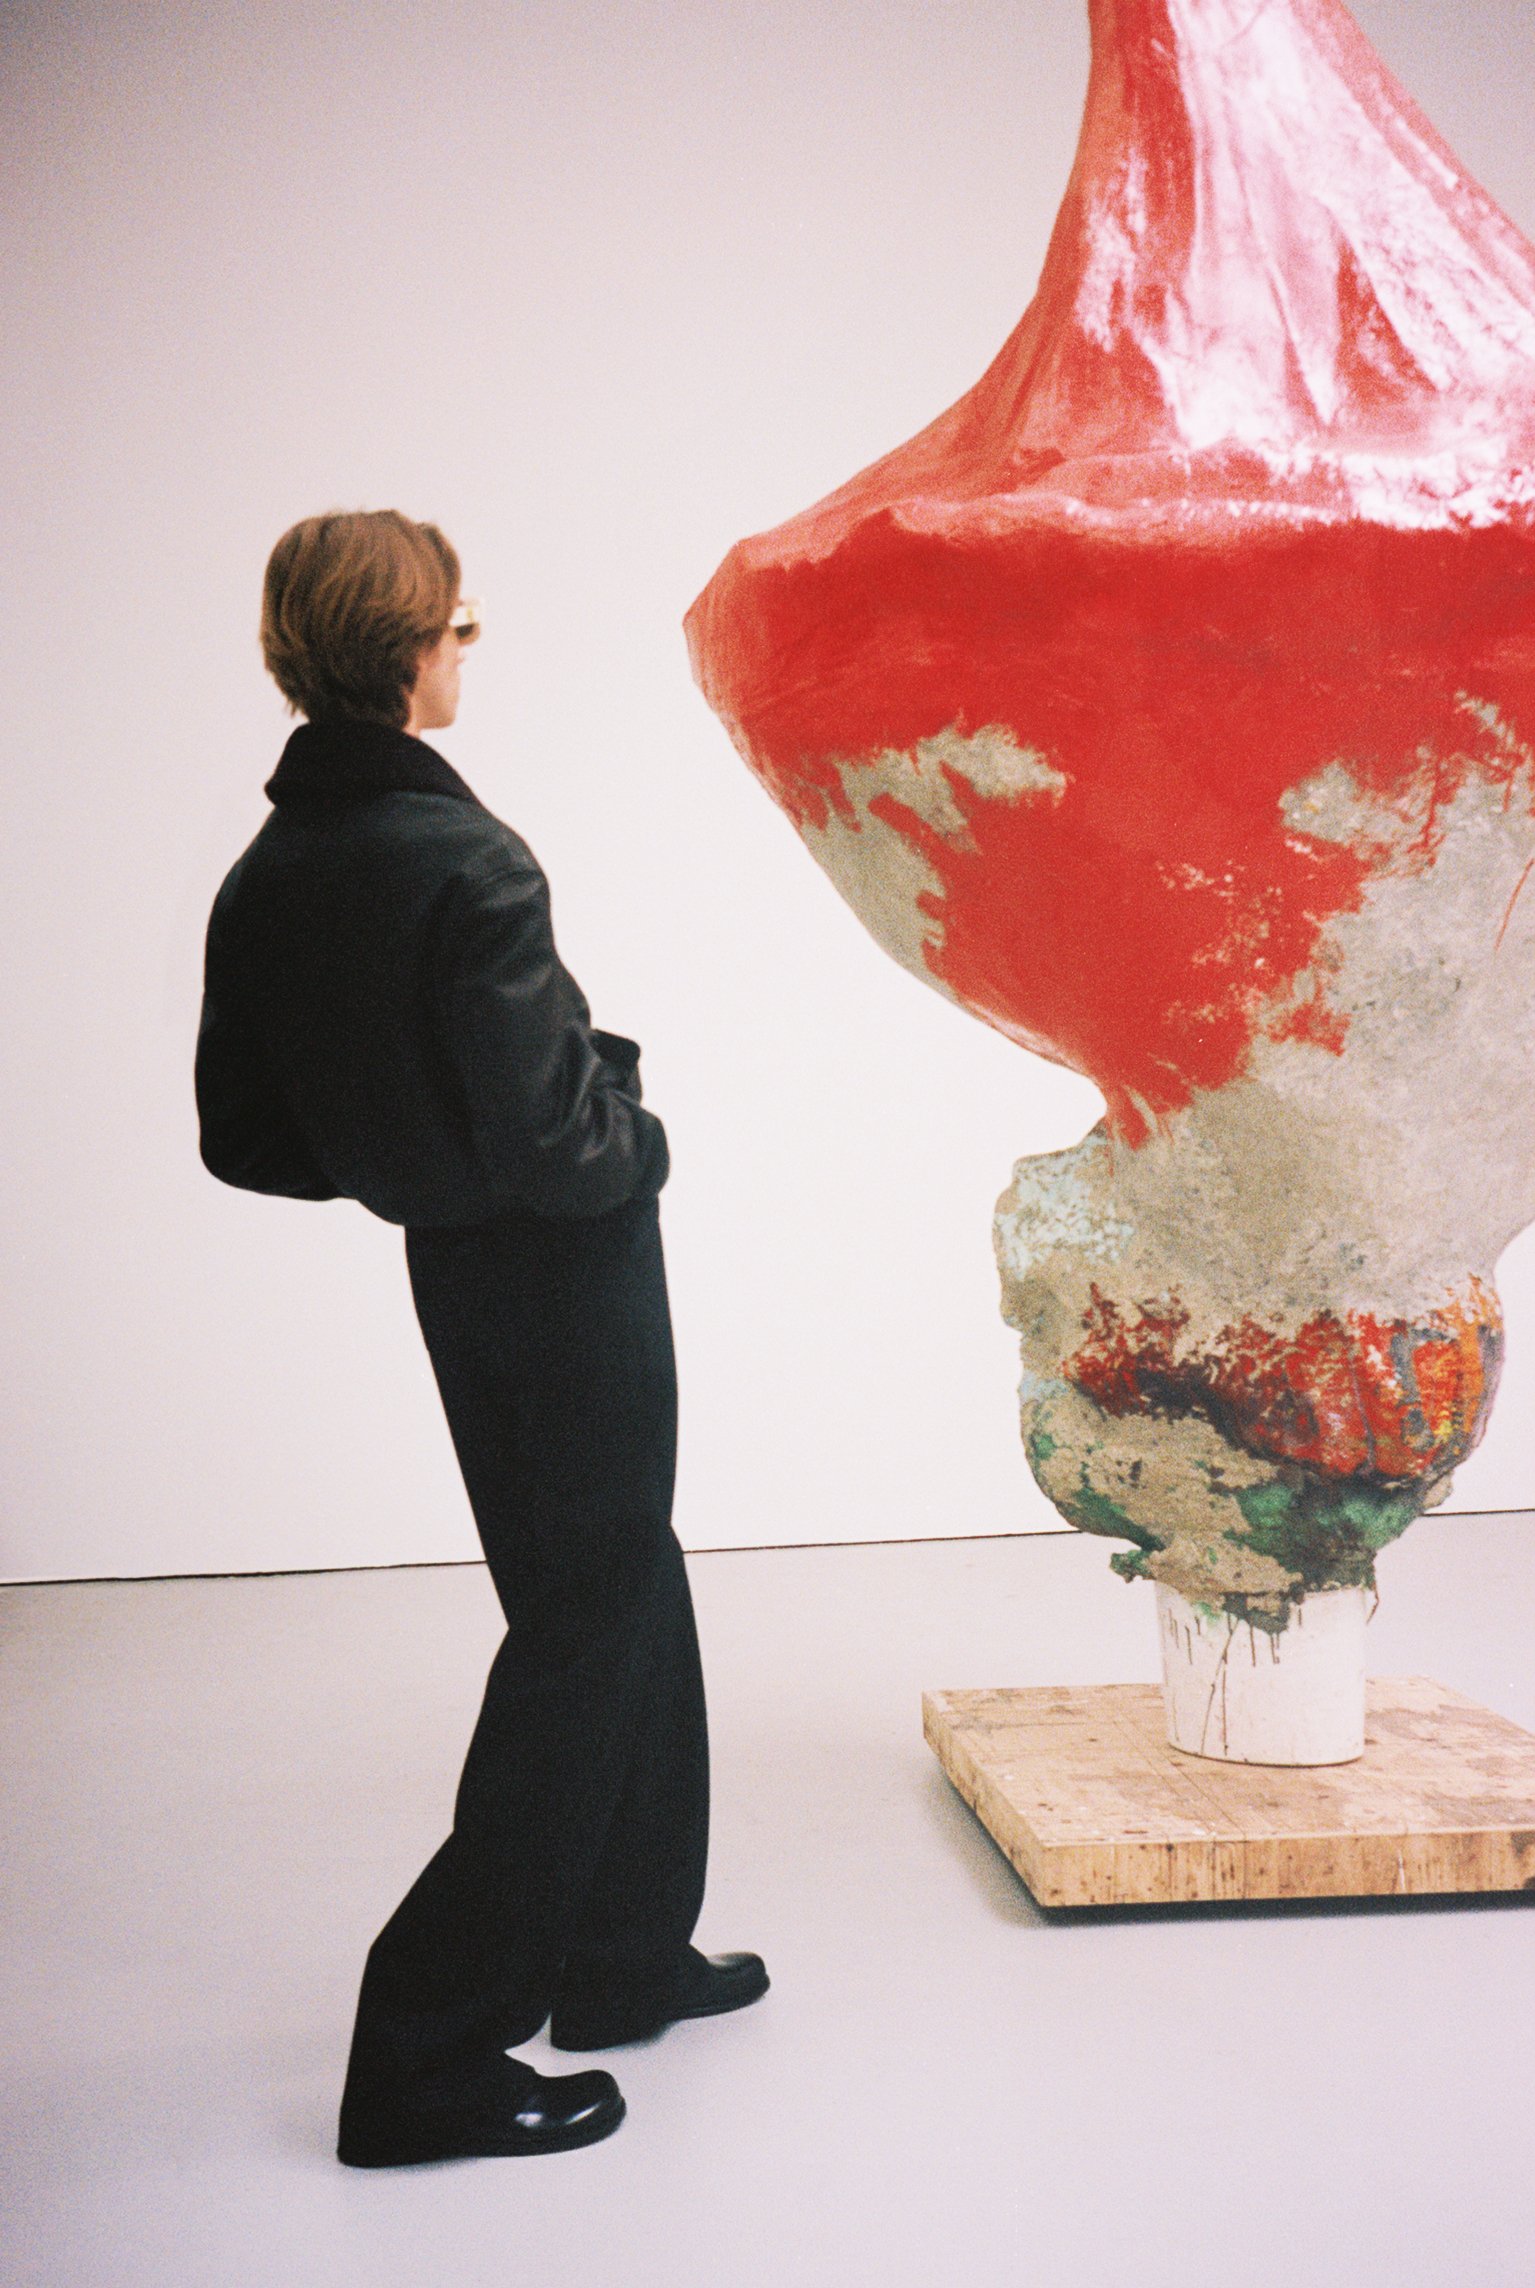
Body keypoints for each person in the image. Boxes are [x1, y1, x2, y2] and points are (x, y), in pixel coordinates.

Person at [195, 508, 766, 2168]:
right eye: (458, 626)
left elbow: (249, 1139)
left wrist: (415, 1166)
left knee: (616, 1585)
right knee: (587, 1628)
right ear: (406, 649)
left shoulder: (270, 873)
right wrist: (639, 1130)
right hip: (571, 1277)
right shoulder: (468, 862)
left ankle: (622, 1954)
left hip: (458, 1272)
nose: (466, 651)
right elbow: (566, 1150)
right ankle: (426, 2054)